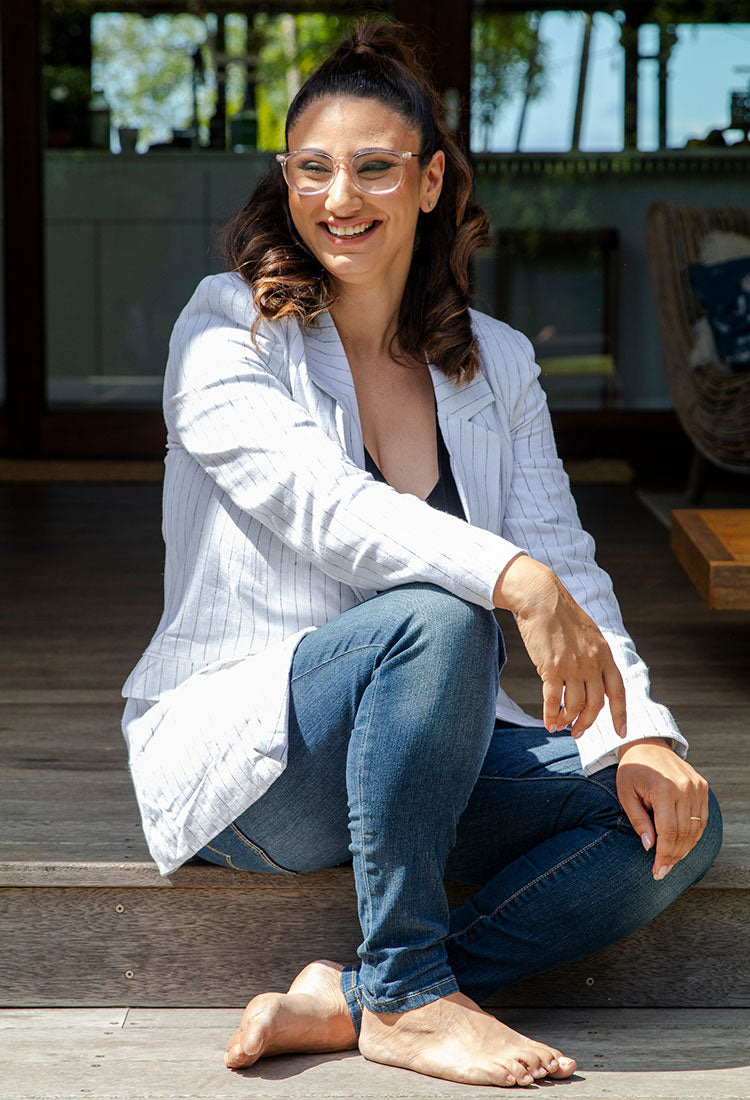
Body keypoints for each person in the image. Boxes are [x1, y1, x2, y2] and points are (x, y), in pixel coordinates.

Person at [121, 20, 721, 1089]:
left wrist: (638, 732)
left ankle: (358, 993)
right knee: (438, 613)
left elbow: (567, 567)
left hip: (430, 748)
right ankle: (405, 988)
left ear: (432, 179)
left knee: (674, 817)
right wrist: (506, 579)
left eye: (374, 167)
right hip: (262, 762)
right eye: (312, 168)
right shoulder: (226, 332)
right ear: (286, 180)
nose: (339, 196)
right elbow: (325, 505)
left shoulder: (497, 362)